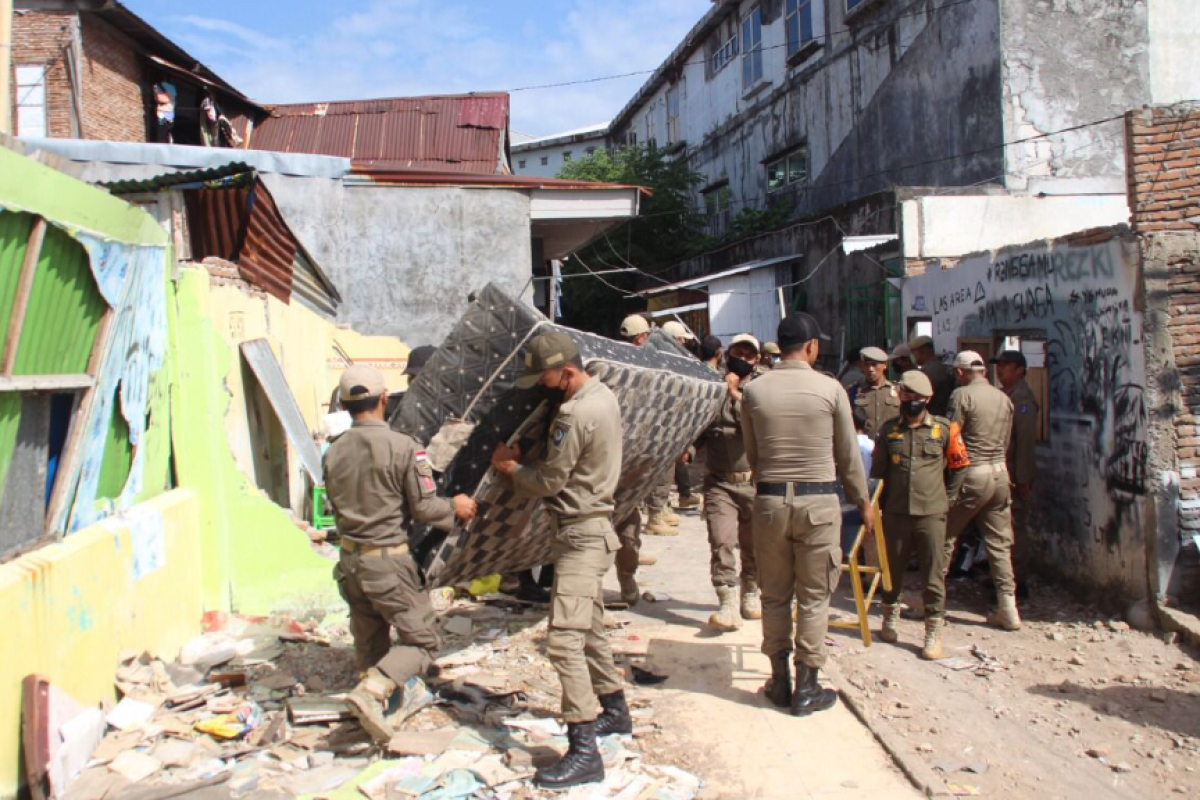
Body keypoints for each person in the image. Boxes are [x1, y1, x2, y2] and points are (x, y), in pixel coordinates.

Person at [491, 331, 628, 789]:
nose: (544, 386)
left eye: (547, 378)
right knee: (587, 626)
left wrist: (509, 468)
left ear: (567, 371)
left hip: (580, 537)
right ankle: (614, 710)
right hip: (591, 532)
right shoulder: (603, 393)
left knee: (564, 641)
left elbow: (549, 480)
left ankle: (584, 750)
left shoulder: (574, 412)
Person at [323, 365, 478, 743]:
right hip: (387, 562)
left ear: (345, 405)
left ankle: (375, 701)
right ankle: (373, 691)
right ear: (382, 400)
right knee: (423, 641)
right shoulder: (405, 447)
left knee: (371, 636)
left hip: (349, 562)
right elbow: (425, 508)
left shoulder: (334, 450)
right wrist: (455, 507)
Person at [742, 314, 873, 717]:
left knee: (775, 595)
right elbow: (849, 455)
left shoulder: (753, 390)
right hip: (818, 503)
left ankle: (779, 681)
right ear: (812, 346)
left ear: (778, 346)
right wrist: (862, 501)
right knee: (814, 596)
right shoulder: (831, 389)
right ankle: (808, 687)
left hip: (770, 502)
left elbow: (754, 456)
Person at [872, 371, 970, 660]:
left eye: (917, 398)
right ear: (900, 396)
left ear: (928, 399)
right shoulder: (889, 430)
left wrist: (948, 498)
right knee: (892, 570)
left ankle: (933, 631)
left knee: (933, 573)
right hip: (897, 513)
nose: (911, 402)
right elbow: (878, 473)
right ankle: (889, 619)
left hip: (932, 513)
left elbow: (960, 466)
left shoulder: (944, 429)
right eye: (907, 396)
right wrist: (876, 506)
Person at [943, 351, 1020, 630]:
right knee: (999, 544)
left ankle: (932, 600)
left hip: (972, 474)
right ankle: (1008, 606)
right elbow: (1008, 439)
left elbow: (952, 438)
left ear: (962, 373)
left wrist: (949, 480)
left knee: (945, 535)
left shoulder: (961, 396)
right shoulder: (1004, 398)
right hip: (1000, 474)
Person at [694, 333, 762, 632]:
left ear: (757, 360)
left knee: (754, 545)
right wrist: (688, 450)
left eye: (749, 355)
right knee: (721, 541)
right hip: (720, 483)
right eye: (738, 352)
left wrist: (735, 394)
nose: (742, 359)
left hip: (756, 484)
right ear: (727, 354)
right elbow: (700, 430)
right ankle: (727, 601)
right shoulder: (713, 389)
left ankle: (751, 590)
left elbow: (761, 422)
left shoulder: (762, 391)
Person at [992, 349, 1039, 598]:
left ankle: (1017, 583)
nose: (1000, 370)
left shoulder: (1022, 400)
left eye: (1006, 366)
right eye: (999, 365)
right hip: (1000, 472)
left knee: (1014, 530)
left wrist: (1023, 478)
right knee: (1000, 529)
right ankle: (1003, 580)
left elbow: (1025, 443)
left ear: (1020, 369)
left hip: (1012, 474)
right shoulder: (1004, 395)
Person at [852, 346, 900, 437]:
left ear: (885, 365)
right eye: (866, 365)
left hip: (891, 445)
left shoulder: (897, 390)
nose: (870, 369)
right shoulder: (854, 391)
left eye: (874, 364)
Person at [908, 335, 955, 416]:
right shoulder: (940, 366)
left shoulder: (928, 372)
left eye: (913, 353)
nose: (912, 356)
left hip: (933, 416)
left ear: (922, 351)